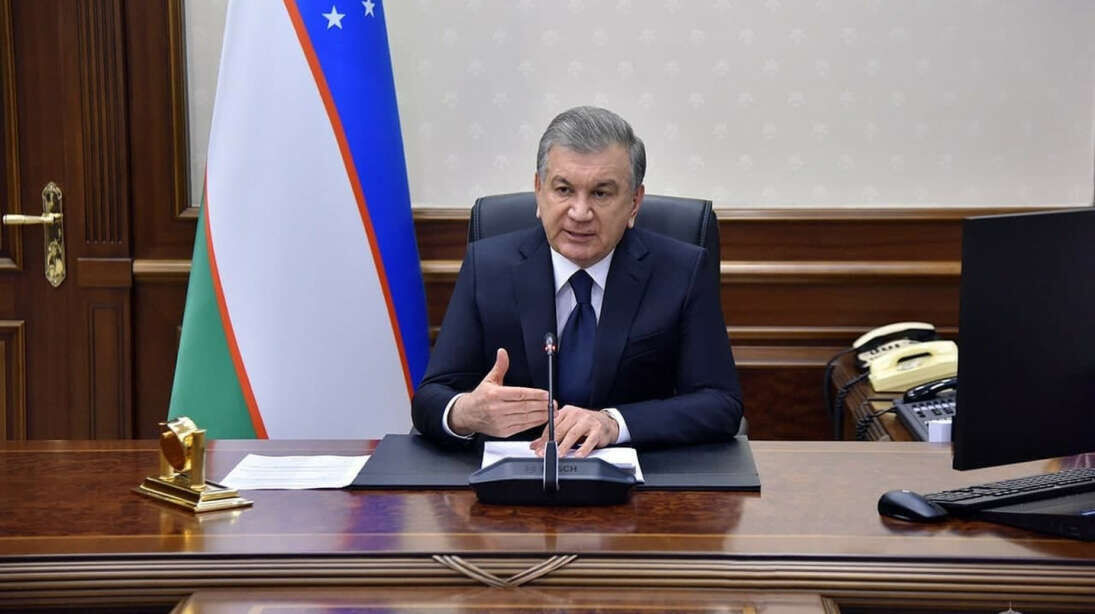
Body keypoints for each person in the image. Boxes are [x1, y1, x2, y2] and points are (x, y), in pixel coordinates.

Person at [412, 106, 743, 457]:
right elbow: (431, 397)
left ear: (634, 203)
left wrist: (614, 423)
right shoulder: (488, 266)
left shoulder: (681, 270)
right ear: (539, 191)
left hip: (640, 480)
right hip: (516, 478)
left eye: (601, 193)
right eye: (564, 189)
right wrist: (466, 413)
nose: (580, 213)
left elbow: (720, 403)